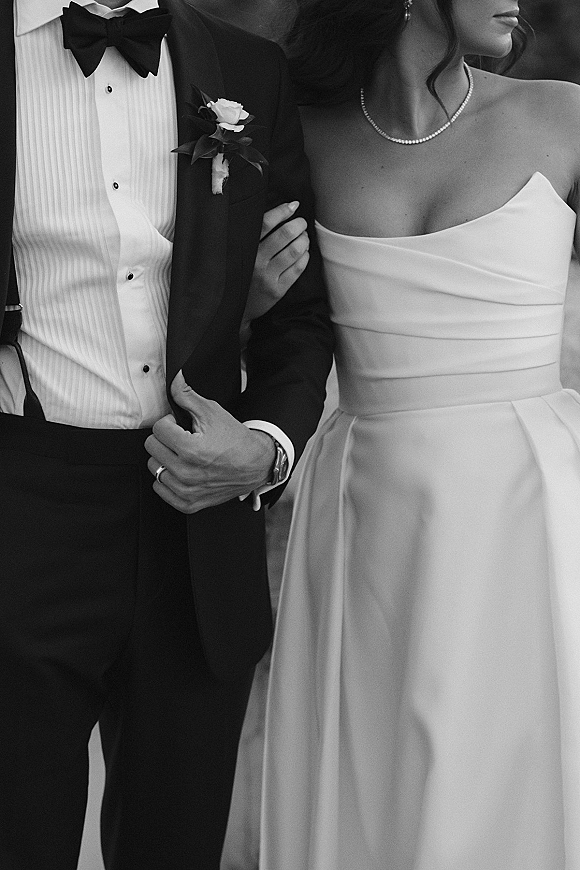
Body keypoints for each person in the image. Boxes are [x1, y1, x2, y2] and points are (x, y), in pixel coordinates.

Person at [0, 2, 334, 868]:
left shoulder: (247, 69)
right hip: (20, 503)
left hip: (199, 524)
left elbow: (300, 320)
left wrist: (264, 446)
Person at [258, 1, 580, 868]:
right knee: (381, 789)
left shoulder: (563, 117)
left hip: (532, 514)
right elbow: (269, 334)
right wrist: (247, 300)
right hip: (370, 520)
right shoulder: (302, 137)